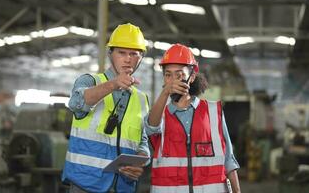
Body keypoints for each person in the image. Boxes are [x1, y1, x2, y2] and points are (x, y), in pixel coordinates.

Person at [62, 23, 150, 193]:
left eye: (134, 54)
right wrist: (113, 84)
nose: (127, 59)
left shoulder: (141, 99)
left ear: (141, 58)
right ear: (110, 54)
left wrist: (139, 161)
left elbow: (142, 142)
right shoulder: (89, 81)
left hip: (122, 186)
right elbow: (76, 103)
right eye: (121, 52)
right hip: (85, 183)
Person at [145, 44, 241, 193]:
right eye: (168, 75)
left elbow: (228, 160)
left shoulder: (213, 112)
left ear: (192, 76)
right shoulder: (158, 115)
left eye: (179, 74)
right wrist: (165, 93)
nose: (173, 80)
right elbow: (151, 127)